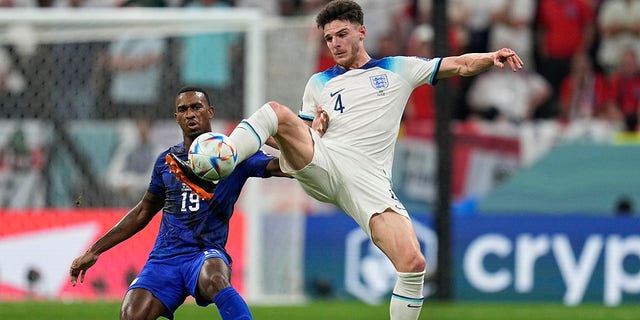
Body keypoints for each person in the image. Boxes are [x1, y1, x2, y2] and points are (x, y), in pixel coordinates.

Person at [172, 1, 523, 319]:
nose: (335, 44)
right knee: (276, 112)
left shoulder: (397, 69)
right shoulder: (319, 82)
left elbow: (458, 65)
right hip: (324, 162)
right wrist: (317, 130)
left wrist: (490, 57)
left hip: (369, 181)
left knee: (413, 262)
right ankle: (225, 157)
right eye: (328, 39)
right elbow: (300, 139)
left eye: (341, 34)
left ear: (361, 32)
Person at [68, 87, 290, 320]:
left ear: (210, 111)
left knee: (215, 278)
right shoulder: (167, 161)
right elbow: (143, 211)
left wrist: (290, 142)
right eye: (183, 110)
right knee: (131, 314)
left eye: (196, 107)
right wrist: (94, 251)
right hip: (166, 258)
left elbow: (284, 167)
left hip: (205, 253)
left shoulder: (233, 155)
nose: (190, 114)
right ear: (176, 118)